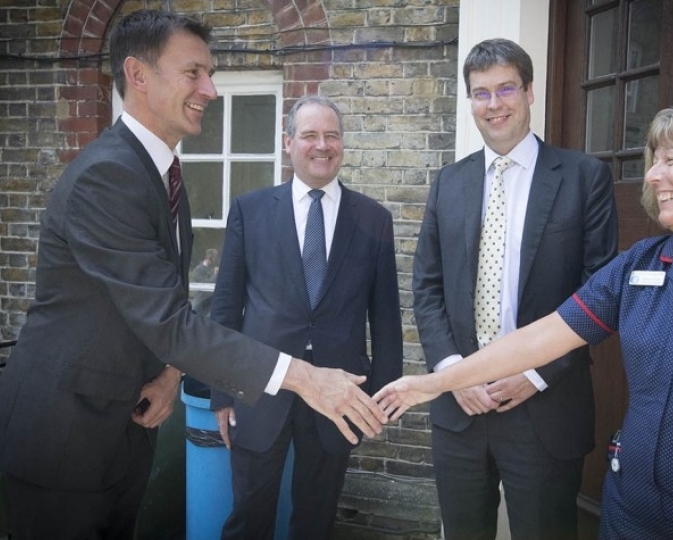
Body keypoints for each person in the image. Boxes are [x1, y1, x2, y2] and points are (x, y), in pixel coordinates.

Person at [0, 10, 388, 540]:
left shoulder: (162, 175)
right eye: (194, 73)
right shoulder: (108, 175)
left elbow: (157, 307)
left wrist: (169, 375)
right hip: (65, 436)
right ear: (138, 75)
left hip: (127, 423)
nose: (211, 89)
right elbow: (169, 318)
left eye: (210, 74)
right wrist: (305, 377)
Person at [377, 100, 673, 540]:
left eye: (672, 159)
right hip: (630, 518)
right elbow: (544, 336)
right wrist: (433, 383)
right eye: (654, 160)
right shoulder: (642, 265)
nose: (652, 175)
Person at [411, 38, 618, 540]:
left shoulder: (583, 177)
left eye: (506, 88)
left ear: (529, 93)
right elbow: (427, 287)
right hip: (461, 406)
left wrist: (536, 372)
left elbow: (601, 289)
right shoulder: (448, 183)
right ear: (470, 102)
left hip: (545, 408)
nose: (494, 103)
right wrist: (452, 371)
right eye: (481, 93)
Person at [210, 94, 403, 540]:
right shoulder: (250, 210)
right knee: (248, 517)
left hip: (340, 394)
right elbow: (226, 306)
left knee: (317, 520)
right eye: (310, 135)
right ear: (288, 142)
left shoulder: (374, 219)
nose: (322, 145)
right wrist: (221, 394)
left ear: (342, 144)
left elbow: (386, 316)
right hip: (261, 386)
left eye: (332, 136)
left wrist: (381, 397)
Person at [191, 247, 218, 314]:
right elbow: (205, 284)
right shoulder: (199, 269)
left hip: (207, 301)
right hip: (200, 302)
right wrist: (216, 275)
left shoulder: (209, 269)